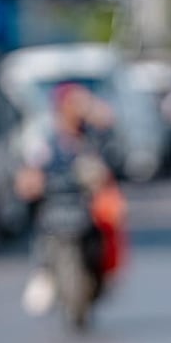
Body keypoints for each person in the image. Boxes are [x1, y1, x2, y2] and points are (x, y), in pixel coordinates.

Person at [16, 84, 116, 315]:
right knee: (37, 230)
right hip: (54, 201)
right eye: (73, 104)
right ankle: (43, 271)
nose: (77, 109)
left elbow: (109, 145)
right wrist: (31, 180)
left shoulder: (89, 135)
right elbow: (30, 166)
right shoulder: (45, 135)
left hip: (82, 201)